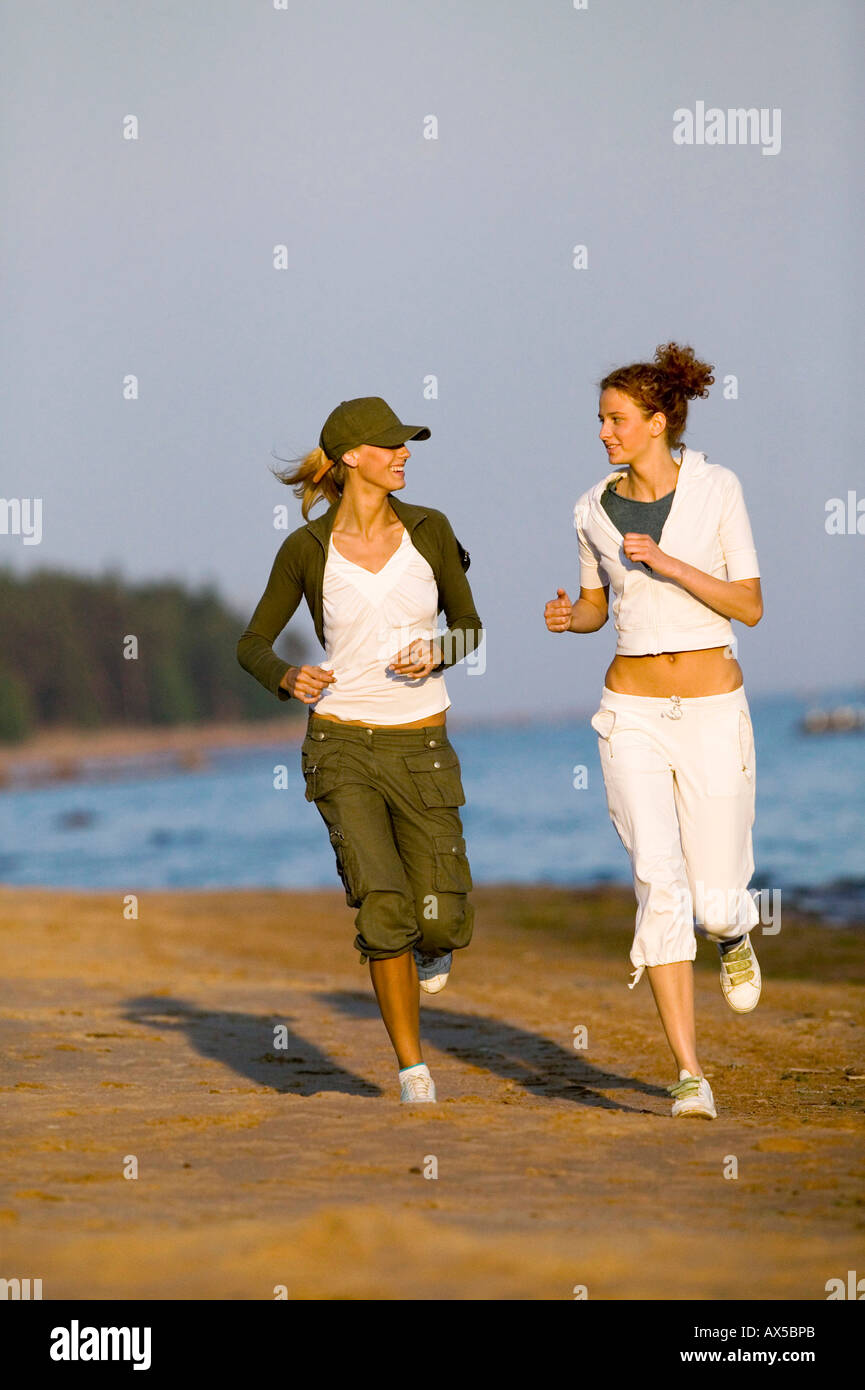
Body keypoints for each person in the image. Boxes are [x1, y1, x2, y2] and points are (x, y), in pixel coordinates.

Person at [237, 396, 483, 1104]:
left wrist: (439, 650)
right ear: (351, 458)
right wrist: (287, 675)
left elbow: (469, 625)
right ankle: (413, 1071)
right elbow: (251, 642)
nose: (404, 453)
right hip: (341, 745)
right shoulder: (305, 551)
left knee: (438, 916)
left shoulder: (430, 531)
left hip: (423, 747)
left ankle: (432, 945)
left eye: (405, 445)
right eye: (390, 446)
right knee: (383, 908)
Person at [545, 342, 764, 1120]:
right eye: (600, 420)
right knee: (658, 885)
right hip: (629, 711)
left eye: (616, 420)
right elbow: (600, 604)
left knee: (710, 897)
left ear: (657, 421)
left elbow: (747, 604)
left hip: (710, 709)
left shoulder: (716, 489)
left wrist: (670, 565)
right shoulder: (589, 509)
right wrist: (575, 619)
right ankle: (688, 1073)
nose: (604, 432)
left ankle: (733, 932)